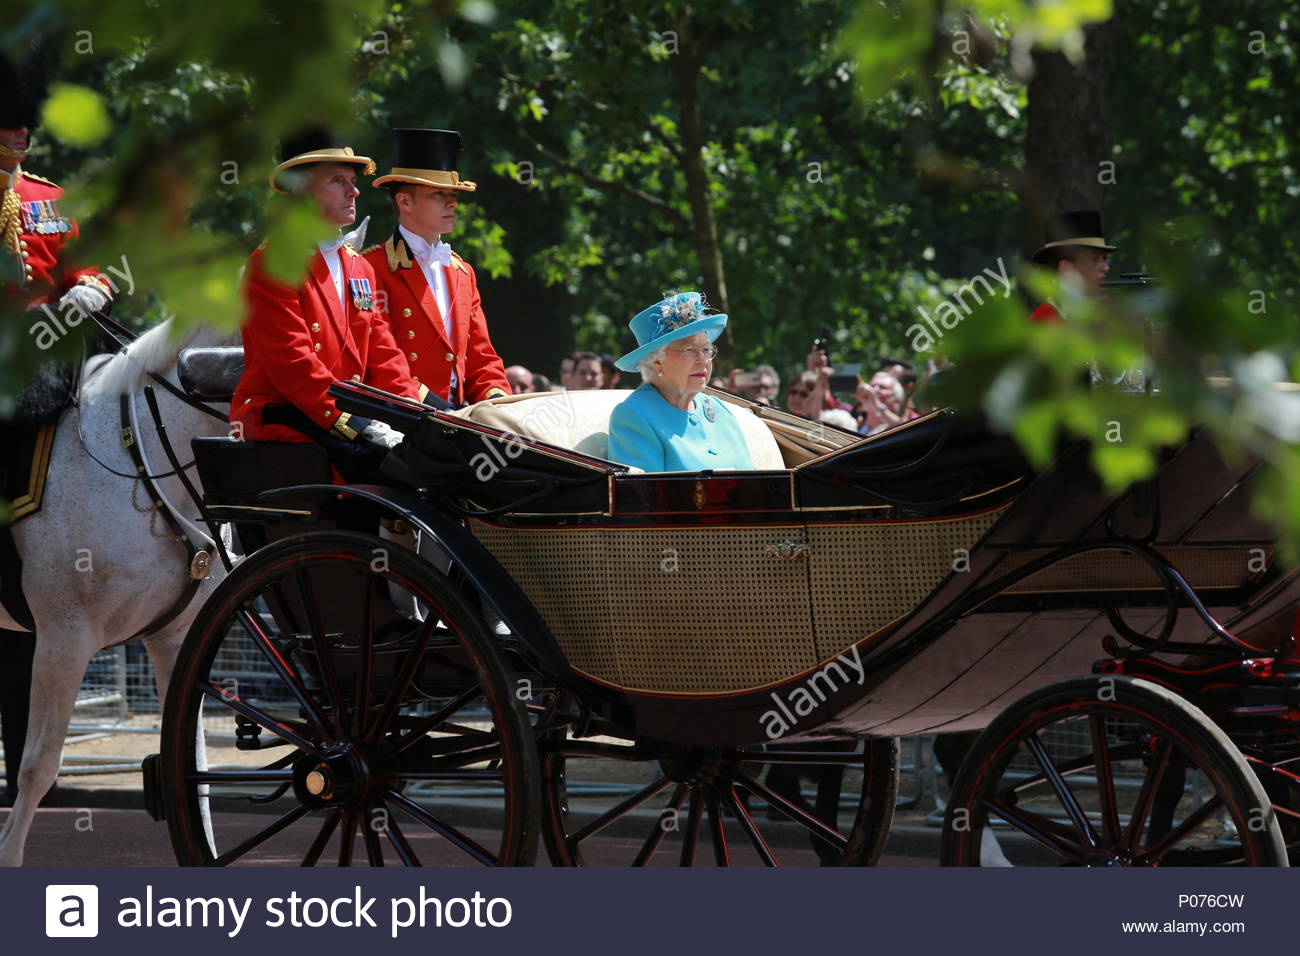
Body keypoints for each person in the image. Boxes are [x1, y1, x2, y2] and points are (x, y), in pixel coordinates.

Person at [0, 41, 115, 805]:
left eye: (22, 130)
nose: (17, 140)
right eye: (5, 129)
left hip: (48, 364)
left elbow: (97, 264)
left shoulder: (49, 196)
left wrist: (95, 293)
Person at [230, 128, 422, 482]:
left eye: (352, 180)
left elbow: (384, 355)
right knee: (389, 470)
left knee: (432, 460)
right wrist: (358, 423)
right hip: (287, 414)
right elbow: (294, 366)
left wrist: (416, 415)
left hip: (341, 415)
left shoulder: (358, 265)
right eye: (337, 181)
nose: (354, 190)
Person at [362, 128, 508, 406]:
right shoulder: (371, 268)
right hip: (401, 415)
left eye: (453, 194)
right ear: (404, 201)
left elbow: (482, 359)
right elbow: (378, 359)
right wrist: (439, 410)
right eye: (438, 194)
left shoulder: (462, 272)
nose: (452, 202)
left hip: (458, 421)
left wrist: (497, 403)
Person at [606, 292, 753, 472]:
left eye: (706, 349)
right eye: (690, 349)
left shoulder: (717, 408)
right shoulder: (633, 416)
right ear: (656, 362)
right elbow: (644, 496)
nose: (702, 360)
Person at [1028, 209, 1114, 322]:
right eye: (1094, 259)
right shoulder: (1041, 324)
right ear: (1066, 268)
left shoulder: (1104, 320)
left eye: (1104, 259)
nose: (1106, 268)